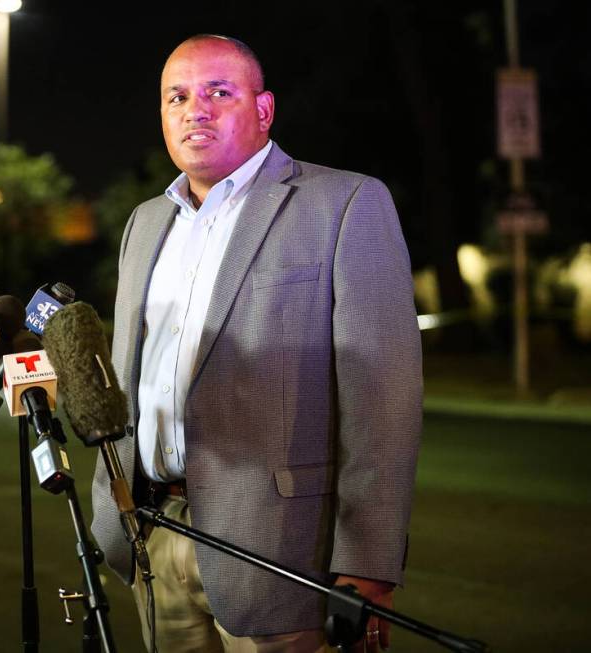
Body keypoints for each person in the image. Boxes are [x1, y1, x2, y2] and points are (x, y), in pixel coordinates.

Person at [90, 34, 422, 653]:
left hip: (282, 553)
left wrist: (370, 560)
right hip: (152, 533)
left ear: (264, 109)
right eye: (178, 96)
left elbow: (384, 398)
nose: (197, 109)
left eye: (220, 91)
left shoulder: (345, 203)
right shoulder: (145, 222)